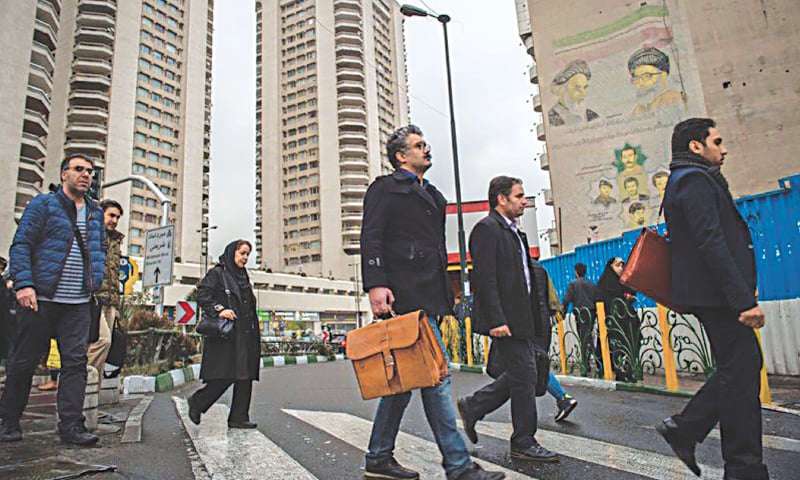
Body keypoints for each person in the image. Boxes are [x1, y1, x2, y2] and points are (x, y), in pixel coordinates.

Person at [360, 125, 504, 480]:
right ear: (400, 156)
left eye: (426, 144)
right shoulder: (385, 188)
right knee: (436, 376)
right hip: (405, 295)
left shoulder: (435, 197)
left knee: (407, 381)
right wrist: (376, 284)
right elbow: (371, 237)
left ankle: (378, 456)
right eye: (418, 145)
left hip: (432, 296)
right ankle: (458, 465)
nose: (427, 150)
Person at [657, 118, 769, 480]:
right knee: (743, 368)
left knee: (740, 371)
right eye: (717, 141)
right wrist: (741, 299)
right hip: (716, 296)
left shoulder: (690, 179)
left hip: (716, 294)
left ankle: (731, 459)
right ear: (695, 146)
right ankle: (730, 459)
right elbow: (710, 241)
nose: (724, 148)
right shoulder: (692, 180)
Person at [0, 154, 106, 445]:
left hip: (78, 303)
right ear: (63, 175)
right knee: (24, 361)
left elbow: (100, 252)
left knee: (75, 364)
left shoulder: (96, 212)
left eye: (90, 171)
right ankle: (8, 420)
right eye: (79, 169)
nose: (86, 175)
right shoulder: (43, 204)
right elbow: (21, 244)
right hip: (40, 300)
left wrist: (95, 284)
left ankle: (71, 426)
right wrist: (24, 284)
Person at [456, 176, 558, 463]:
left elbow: (525, 280)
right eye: (519, 196)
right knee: (525, 376)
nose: (524, 201)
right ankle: (523, 441)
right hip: (507, 320)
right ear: (502, 199)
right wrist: (496, 320)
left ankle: (474, 406)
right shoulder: (487, 229)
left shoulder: (515, 232)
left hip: (523, 319)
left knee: (522, 374)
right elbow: (485, 279)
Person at [188, 240, 260, 429]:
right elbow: (202, 294)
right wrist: (219, 309)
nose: (245, 258)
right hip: (227, 334)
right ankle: (198, 402)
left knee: (245, 376)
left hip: (245, 333)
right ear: (231, 252)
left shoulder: (243, 277)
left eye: (247, 254)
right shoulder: (218, 273)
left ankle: (239, 417)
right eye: (242, 253)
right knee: (225, 375)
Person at [86, 199, 125, 376]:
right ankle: (81, 381)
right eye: (111, 215)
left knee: (105, 346)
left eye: (117, 217)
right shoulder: (91, 234)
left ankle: (94, 391)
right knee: (102, 341)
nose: (114, 220)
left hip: (110, 302)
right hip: (92, 299)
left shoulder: (116, 241)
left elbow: (115, 275)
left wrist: (116, 307)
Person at [595, 257, 639, 382]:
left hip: (627, 320)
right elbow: (602, 300)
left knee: (630, 344)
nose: (621, 268)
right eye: (618, 265)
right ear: (611, 267)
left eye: (622, 266)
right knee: (616, 347)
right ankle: (619, 372)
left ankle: (630, 371)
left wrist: (630, 296)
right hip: (612, 322)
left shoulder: (624, 281)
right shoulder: (604, 283)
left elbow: (632, 291)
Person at [628, 46, 686, 117]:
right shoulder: (637, 110)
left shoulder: (677, 99)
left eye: (647, 76)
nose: (640, 83)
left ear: (663, 76)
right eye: (636, 78)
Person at [562, 263, 596, 375]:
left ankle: (586, 366)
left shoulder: (573, 284)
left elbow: (567, 299)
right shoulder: (591, 284)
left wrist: (563, 313)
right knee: (589, 336)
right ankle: (596, 360)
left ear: (576, 271)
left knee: (583, 338)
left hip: (581, 314)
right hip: (592, 312)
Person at [548, 60, 599, 126]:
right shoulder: (551, 119)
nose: (583, 93)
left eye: (585, 87)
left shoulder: (591, 116)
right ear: (562, 90)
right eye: (577, 88)